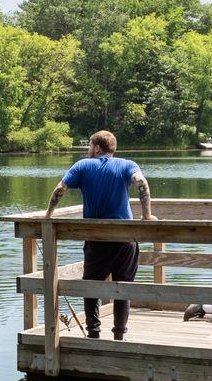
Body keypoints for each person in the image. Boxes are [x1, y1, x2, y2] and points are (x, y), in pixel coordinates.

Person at [44, 130, 154, 340]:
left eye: (89, 147)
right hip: (125, 238)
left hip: (97, 239)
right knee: (124, 287)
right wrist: (147, 215)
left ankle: (93, 332)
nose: (87, 150)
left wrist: (49, 215)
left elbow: (60, 189)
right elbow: (141, 182)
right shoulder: (127, 164)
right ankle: (119, 335)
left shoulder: (83, 166)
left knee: (90, 286)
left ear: (96, 148)